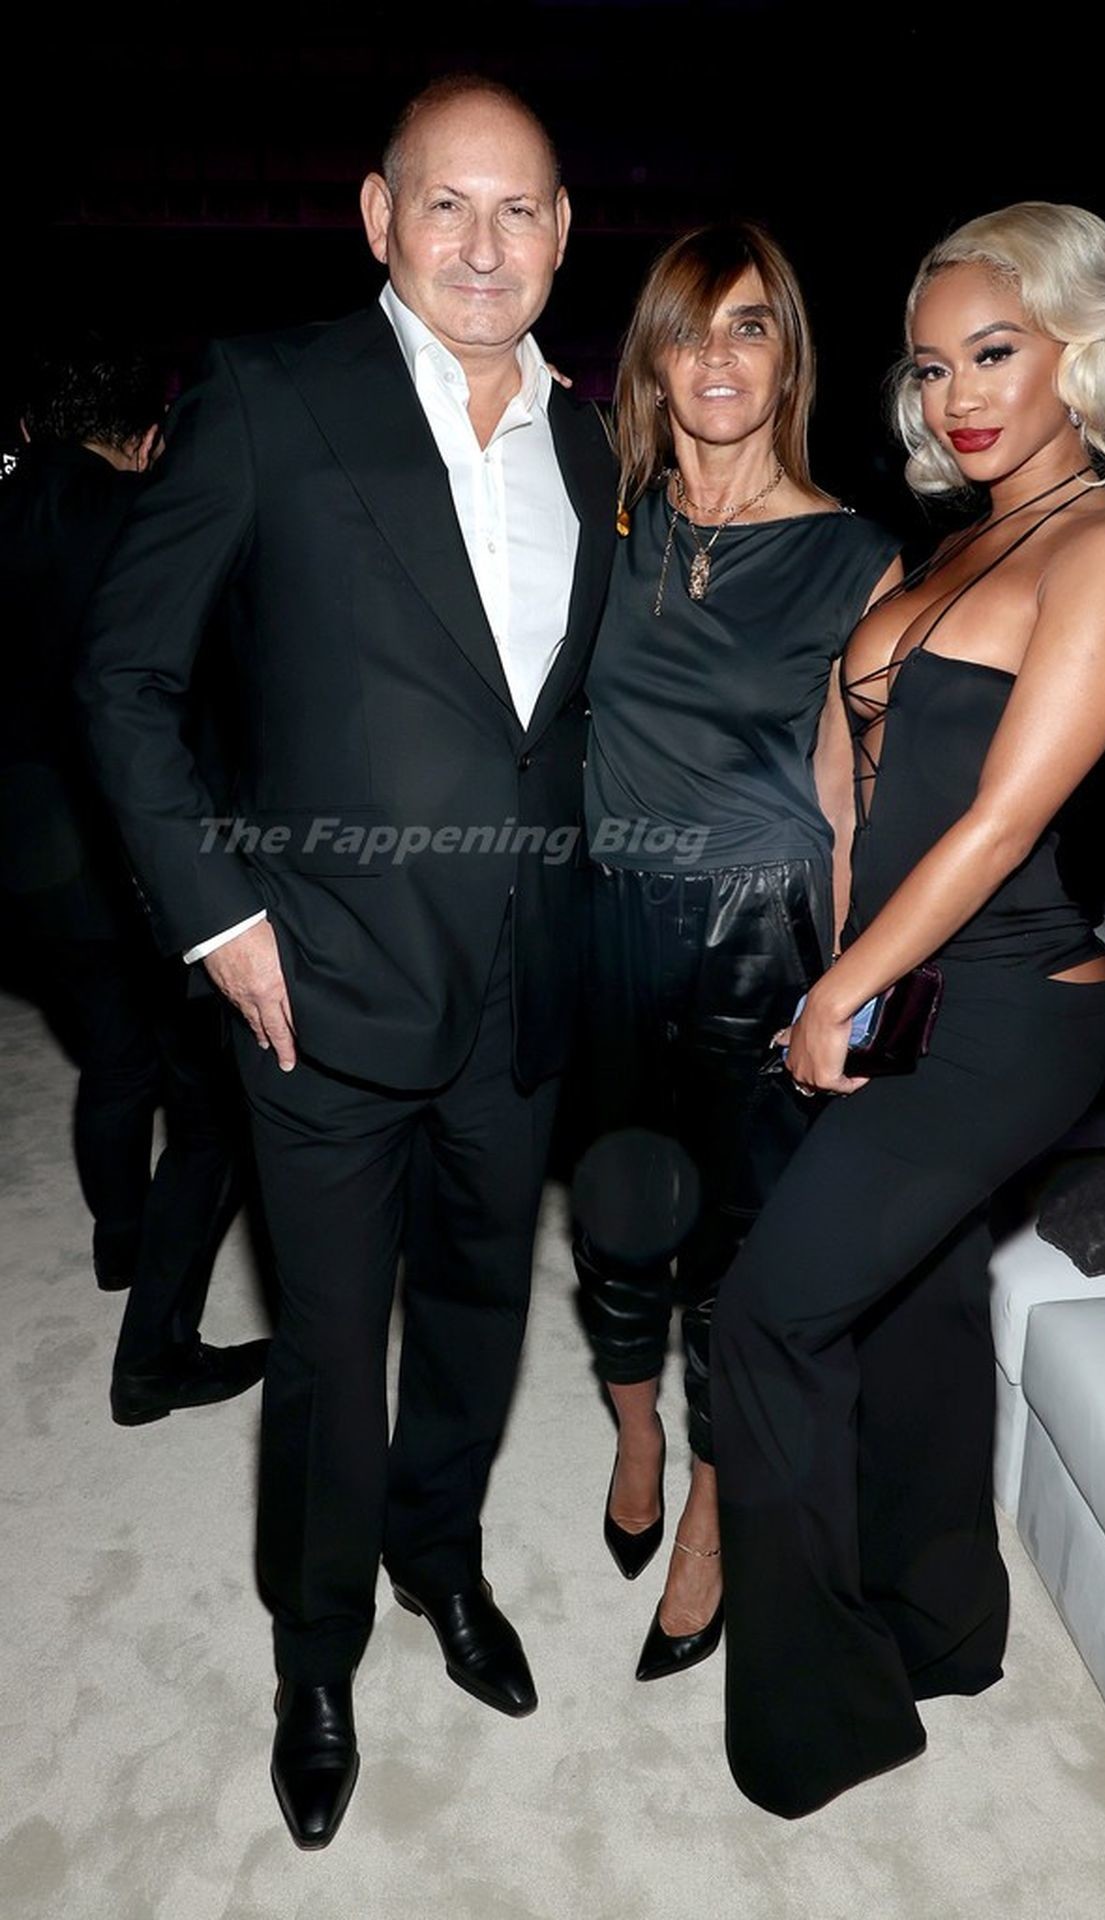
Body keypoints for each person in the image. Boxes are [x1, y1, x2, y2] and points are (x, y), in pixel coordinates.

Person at [77, 76, 615, 1849]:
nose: (485, 244)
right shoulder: (269, 394)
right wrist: (220, 918)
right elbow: (125, 679)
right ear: (379, 217)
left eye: (520, 209)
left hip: (525, 986)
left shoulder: (590, 446)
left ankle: (437, 1556)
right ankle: (315, 1657)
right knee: (326, 1348)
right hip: (313, 982)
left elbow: (562, 725)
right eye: (446, 203)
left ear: (562, 234)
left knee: (478, 1309)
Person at [709, 202, 1105, 1818]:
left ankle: (818, 1718)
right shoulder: (951, 547)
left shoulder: (1103, 549)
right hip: (898, 985)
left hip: (1008, 1012)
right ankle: (940, 1628)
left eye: (994, 352)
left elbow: (997, 825)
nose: (959, 395)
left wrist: (842, 990)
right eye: (932, 368)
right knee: (914, 1308)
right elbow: (855, 799)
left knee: (769, 1318)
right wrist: (824, 954)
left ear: (1082, 348)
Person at [572, 222, 900, 1682]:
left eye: (750, 327)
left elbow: (847, 797)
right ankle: (634, 1426)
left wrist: (848, 988)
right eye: (690, 330)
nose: (717, 357)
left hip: (759, 942)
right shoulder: (604, 519)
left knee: (734, 1255)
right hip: (599, 925)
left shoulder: (854, 555)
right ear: (650, 358)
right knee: (616, 1218)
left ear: (788, 360)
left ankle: (708, 1510)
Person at [0, 337, 267, 1421]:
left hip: (22, 854)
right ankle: (153, 1349)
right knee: (212, 1113)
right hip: (125, 852)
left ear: (33, 427)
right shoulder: (144, 522)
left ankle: (121, 1245)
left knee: (112, 1059)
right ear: (150, 438)